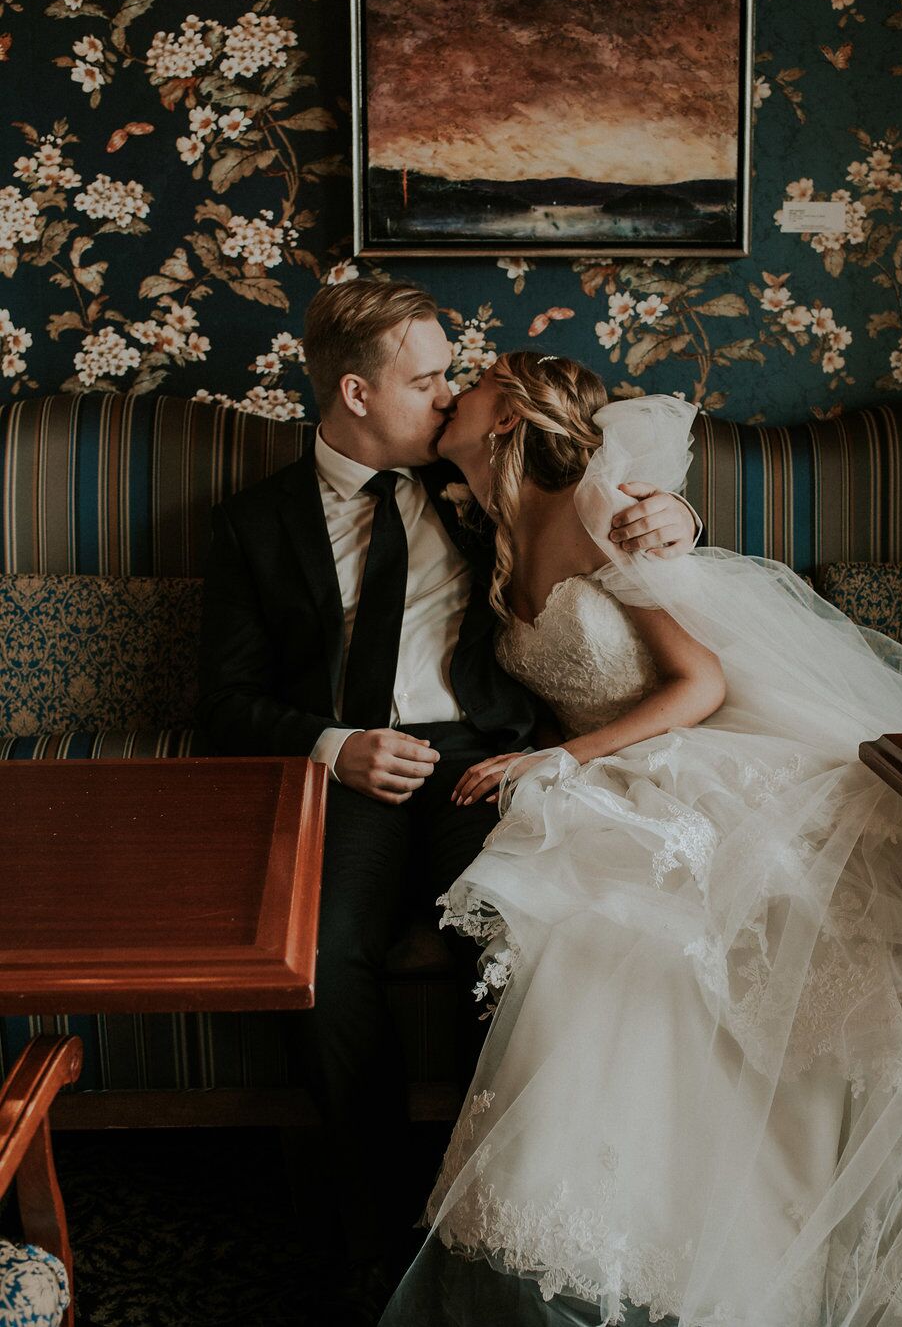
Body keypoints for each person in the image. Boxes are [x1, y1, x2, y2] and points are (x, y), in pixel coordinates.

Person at [379, 351, 902, 1327]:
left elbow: (701, 683)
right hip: (618, 761)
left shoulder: (605, 505)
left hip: (701, 751)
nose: (446, 393)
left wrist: (563, 758)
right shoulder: (468, 506)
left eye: (462, 385)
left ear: (505, 414)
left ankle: (693, 1232)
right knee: (596, 935)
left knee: (626, 943)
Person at [194, 285, 698, 1315]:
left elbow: (594, 499)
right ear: (355, 391)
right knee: (325, 963)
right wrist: (336, 747)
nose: (443, 395)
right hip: (352, 771)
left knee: (513, 944)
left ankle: (489, 1225)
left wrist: (678, 511)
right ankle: (375, 1238)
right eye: (424, 380)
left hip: (485, 753)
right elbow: (221, 698)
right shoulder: (251, 525)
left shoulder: (473, 484)